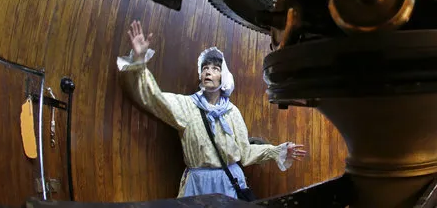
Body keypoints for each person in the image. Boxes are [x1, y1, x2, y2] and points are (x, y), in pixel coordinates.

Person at [116, 20, 307, 198]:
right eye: (205, 67)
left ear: (223, 76)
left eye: (215, 68)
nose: (208, 71)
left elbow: (246, 153)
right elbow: (153, 98)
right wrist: (139, 63)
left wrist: (277, 151)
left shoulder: (232, 112)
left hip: (229, 183)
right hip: (198, 185)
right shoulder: (187, 106)